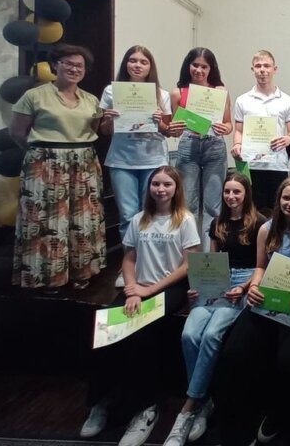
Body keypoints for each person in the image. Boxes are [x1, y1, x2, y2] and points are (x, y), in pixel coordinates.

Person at [80, 166, 199, 446]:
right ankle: (101, 401)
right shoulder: (139, 219)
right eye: (156, 184)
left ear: (176, 188)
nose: (161, 189)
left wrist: (150, 290)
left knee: (143, 334)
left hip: (169, 288)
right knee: (104, 329)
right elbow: (129, 258)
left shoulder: (185, 220)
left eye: (167, 184)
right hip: (139, 287)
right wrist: (133, 289)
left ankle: (147, 407)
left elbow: (187, 265)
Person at [211, 177, 290, 446]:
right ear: (278, 200)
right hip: (268, 295)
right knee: (233, 352)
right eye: (286, 198)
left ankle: (280, 413)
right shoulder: (266, 229)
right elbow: (261, 266)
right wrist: (254, 286)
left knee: (289, 360)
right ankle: (236, 418)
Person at [164, 172, 267, 446]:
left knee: (211, 335)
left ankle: (189, 406)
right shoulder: (217, 222)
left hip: (242, 282)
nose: (231, 196)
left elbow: (262, 265)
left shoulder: (259, 223)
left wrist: (244, 287)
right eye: (227, 191)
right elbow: (212, 259)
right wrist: (197, 285)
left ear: (246, 194)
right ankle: (204, 398)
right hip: (216, 281)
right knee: (189, 334)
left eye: (237, 192)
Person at [9, 43, 106, 290]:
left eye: (79, 65)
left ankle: (81, 273)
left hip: (83, 162)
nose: (74, 69)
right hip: (46, 163)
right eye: (68, 63)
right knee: (45, 220)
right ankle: (48, 278)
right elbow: (17, 132)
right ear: (55, 65)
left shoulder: (91, 100)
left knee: (82, 218)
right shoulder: (35, 96)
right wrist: (43, 154)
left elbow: (93, 131)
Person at [99, 46, 171, 288]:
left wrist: (160, 122)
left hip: (153, 160)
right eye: (132, 60)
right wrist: (109, 119)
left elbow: (167, 131)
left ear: (150, 67)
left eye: (143, 61)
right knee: (128, 216)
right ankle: (129, 266)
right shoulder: (111, 91)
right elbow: (104, 130)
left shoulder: (161, 94)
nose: (137, 65)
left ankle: (151, 265)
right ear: (126, 64)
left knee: (151, 213)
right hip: (122, 160)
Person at [169, 48, 233, 251]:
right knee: (188, 204)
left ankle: (208, 256)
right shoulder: (178, 92)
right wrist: (175, 128)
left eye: (204, 66)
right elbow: (175, 129)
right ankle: (189, 256)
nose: (199, 70)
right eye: (195, 65)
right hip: (188, 146)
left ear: (211, 68)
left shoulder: (220, 91)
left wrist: (225, 128)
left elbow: (228, 124)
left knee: (213, 206)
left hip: (214, 146)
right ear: (188, 66)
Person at [232, 50, 290, 213]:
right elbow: (238, 131)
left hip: (277, 165)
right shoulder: (242, 100)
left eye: (267, 66)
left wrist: (288, 139)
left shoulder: (287, 100)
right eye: (258, 66)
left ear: (275, 69)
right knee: (251, 211)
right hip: (251, 164)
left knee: (278, 211)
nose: (262, 70)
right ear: (253, 69)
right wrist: (237, 144)